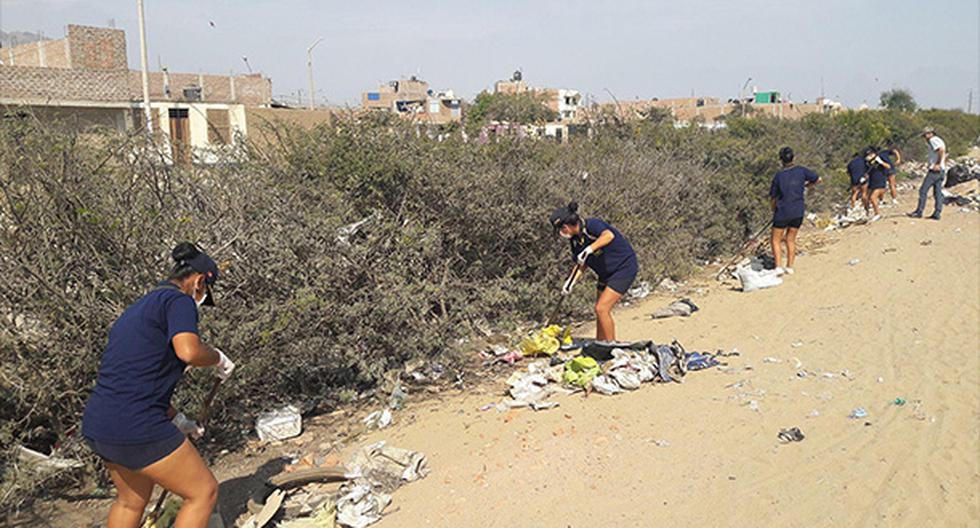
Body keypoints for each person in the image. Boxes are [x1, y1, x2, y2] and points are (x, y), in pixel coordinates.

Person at [82, 242, 235, 528]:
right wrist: (218, 358)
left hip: (100, 422)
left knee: (131, 501)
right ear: (200, 281)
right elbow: (188, 351)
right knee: (203, 493)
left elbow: (136, 379)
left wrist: (177, 419)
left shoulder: (141, 308)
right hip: (136, 424)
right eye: (204, 293)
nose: (202, 299)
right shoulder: (179, 301)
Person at [549, 202, 638, 341]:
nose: (561, 233)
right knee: (600, 312)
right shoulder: (574, 241)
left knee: (601, 308)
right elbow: (581, 263)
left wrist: (590, 248)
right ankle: (600, 343)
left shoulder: (592, 225)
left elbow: (608, 236)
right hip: (604, 273)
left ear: (565, 227)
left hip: (623, 268)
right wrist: (570, 282)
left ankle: (610, 349)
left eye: (560, 230)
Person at [769, 147, 820, 275]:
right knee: (790, 239)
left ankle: (778, 266)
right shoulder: (801, 171)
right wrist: (806, 185)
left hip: (783, 211)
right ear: (793, 157)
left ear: (781, 160)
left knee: (775, 239)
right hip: (798, 211)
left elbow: (773, 197)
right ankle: (790, 266)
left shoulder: (779, 176)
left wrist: (773, 209)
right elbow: (818, 179)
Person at [908, 127, 947, 220]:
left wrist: (937, 164)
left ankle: (919, 211)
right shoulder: (939, 140)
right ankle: (937, 212)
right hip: (941, 170)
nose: (925, 137)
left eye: (925, 135)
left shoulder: (933, 140)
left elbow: (941, 150)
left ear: (930, 133)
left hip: (935, 171)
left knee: (923, 190)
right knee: (937, 192)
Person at [865, 147, 893, 222]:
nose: (869, 156)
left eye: (870, 154)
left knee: (873, 197)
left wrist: (881, 162)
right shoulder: (868, 163)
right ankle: (867, 213)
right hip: (872, 182)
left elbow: (888, 166)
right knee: (867, 198)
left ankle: (877, 214)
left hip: (880, 182)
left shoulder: (880, 159)